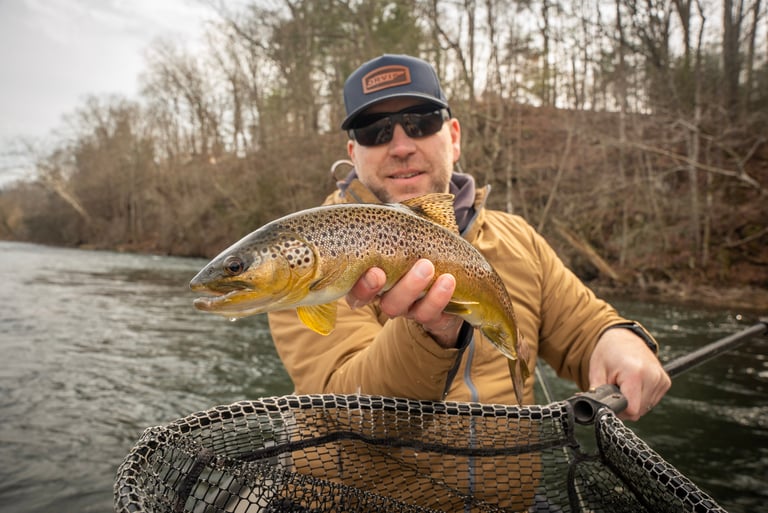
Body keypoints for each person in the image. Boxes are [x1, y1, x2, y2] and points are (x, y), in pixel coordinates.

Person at [267, 54, 670, 422]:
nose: (402, 146)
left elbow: (582, 328)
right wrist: (431, 333)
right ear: (353, 152)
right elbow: (347, 411)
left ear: (454, 137)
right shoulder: (305, 256)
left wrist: (616, 339)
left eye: (421, 122)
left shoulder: (518, 238)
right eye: (376, 132)